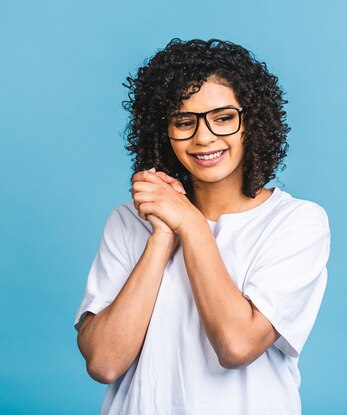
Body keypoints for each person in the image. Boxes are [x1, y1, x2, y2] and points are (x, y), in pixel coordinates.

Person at [74, 38, 331, 415]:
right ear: (165, 132)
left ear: (252, 121)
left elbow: (237, 346)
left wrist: (191, 223)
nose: (204, 137)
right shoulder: (130, 221)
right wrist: (162, 236)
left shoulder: (296, 222)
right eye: (184, 122)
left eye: (223, 117)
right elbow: (104, 363)